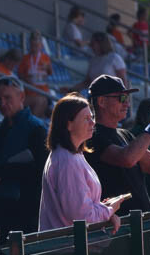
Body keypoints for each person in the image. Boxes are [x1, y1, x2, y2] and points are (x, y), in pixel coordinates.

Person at [85, 76, 150, 214]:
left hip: (136, 224)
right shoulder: (92, 136)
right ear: (102, 101)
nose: (127, 104)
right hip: (114, 228)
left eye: (127, 98)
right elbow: (127, 159)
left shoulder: (125, 135)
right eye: (122, 98)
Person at [0, 77, 48, 240]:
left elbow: (41, 171)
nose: (2, 103)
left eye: (8, 98)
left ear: (21, 97)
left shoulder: (36, 128)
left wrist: (1, 171)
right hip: (2, 205)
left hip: (27, 208)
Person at [39, 94, 124, 231]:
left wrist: (105, 212)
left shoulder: (71, 155)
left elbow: (83, 209)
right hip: (69, 248)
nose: (92, 123)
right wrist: (109, 210)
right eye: (86, 119)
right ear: (69, 124)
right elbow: (81, 216)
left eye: (92, 118)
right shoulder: (67, 161)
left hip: (70, 245)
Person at [17, 30, 53, 119]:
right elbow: (20, 75)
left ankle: (34, 125)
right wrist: (27, 78)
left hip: (43, 91)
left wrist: (48, 67)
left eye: (37, 45)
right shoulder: (25, 58)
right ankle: (33, 125)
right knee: (41, 102)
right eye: (33, 45)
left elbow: (50, 72)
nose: (35, 47)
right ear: (30, 45)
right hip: (30, 92)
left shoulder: (45, 57)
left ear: (41, 45)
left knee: (46, 104)